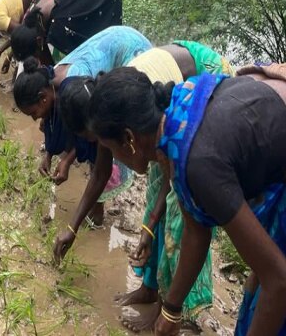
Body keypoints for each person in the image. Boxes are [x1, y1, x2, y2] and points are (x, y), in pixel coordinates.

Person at [86, 65, 286, 336]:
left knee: (271, 289)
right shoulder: (177, 121)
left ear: (129, 139)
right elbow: (195, 230)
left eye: (110, 149)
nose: (114, 158)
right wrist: (171, 308)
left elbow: (279, 280)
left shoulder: (198, 163)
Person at [56, 42, 235, 332]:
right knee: (156, 196)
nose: (101, 150)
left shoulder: (154, 127)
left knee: (179, 215)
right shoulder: (107, 113)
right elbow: (103, 175)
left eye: (101, 143)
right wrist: (74, 229)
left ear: (125, 137)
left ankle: (176, 307)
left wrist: (170, 312)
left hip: (204, 82)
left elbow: (175, 189)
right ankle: (151, 289)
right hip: (166, 112)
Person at [13, 26, 152, 227]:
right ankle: (95, 207)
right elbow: (55, 121)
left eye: (33, 113)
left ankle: (97, 213)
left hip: (131, 52)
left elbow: (91, 131)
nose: (36, 119)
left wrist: (68, 161)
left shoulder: (76, 84)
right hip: (114, 40)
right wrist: (49, 155)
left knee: (106, 137)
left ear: (43, 98)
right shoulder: (48, 79)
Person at [11, 0, 124, 65]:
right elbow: (38, 43)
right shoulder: (34, 15)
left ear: (39, 41)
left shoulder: (62, 27)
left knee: (100, 47)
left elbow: (72, 61)